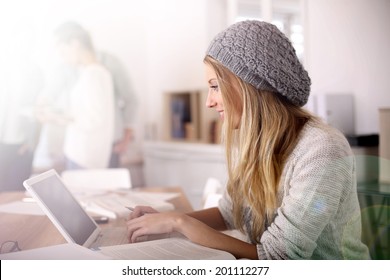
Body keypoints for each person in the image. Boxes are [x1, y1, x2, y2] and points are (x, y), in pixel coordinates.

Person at [126, 20, 370, 259]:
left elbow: (278, 257)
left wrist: (180, 222)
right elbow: (230, 213)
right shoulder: (257, 141)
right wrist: (166, 221)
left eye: (215, 86)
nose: (209, 102)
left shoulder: (322, 150)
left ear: (250, 86)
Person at [37, 22, 137, 169]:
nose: (62, 58)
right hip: (86, 151)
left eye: (63, 52)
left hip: (88, 154)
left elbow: (94, 119)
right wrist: (43, 105)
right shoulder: (90, 71)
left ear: (75, 44)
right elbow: (51, 92)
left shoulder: (95, 73)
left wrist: (58, 118)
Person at [0, 26, 44, 191]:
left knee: (15, 192)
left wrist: (32, 142)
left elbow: (41, 111)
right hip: (1, 143)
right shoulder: (3, 68)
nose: (25, 46)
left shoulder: (36, 73)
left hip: (22, 146)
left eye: (29, 42)